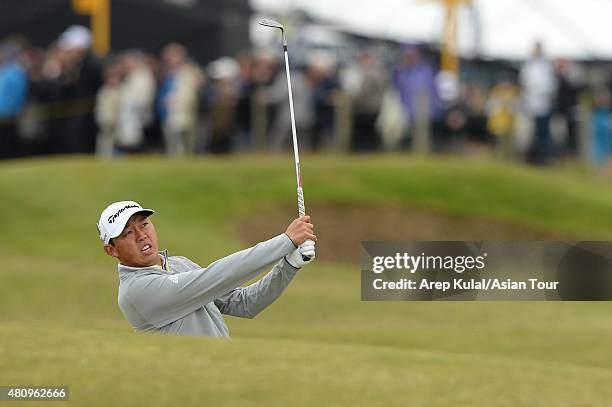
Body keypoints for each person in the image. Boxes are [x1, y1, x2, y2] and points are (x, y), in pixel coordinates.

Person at [97, 201, 316, 337]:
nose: (141, 235)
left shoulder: (178, 264)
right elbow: (216, 277)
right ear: (112, 250)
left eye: (143, 224)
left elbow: (246, 304)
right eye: (127, 233)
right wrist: (285, 242)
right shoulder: (136, 292)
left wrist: (289, 264)